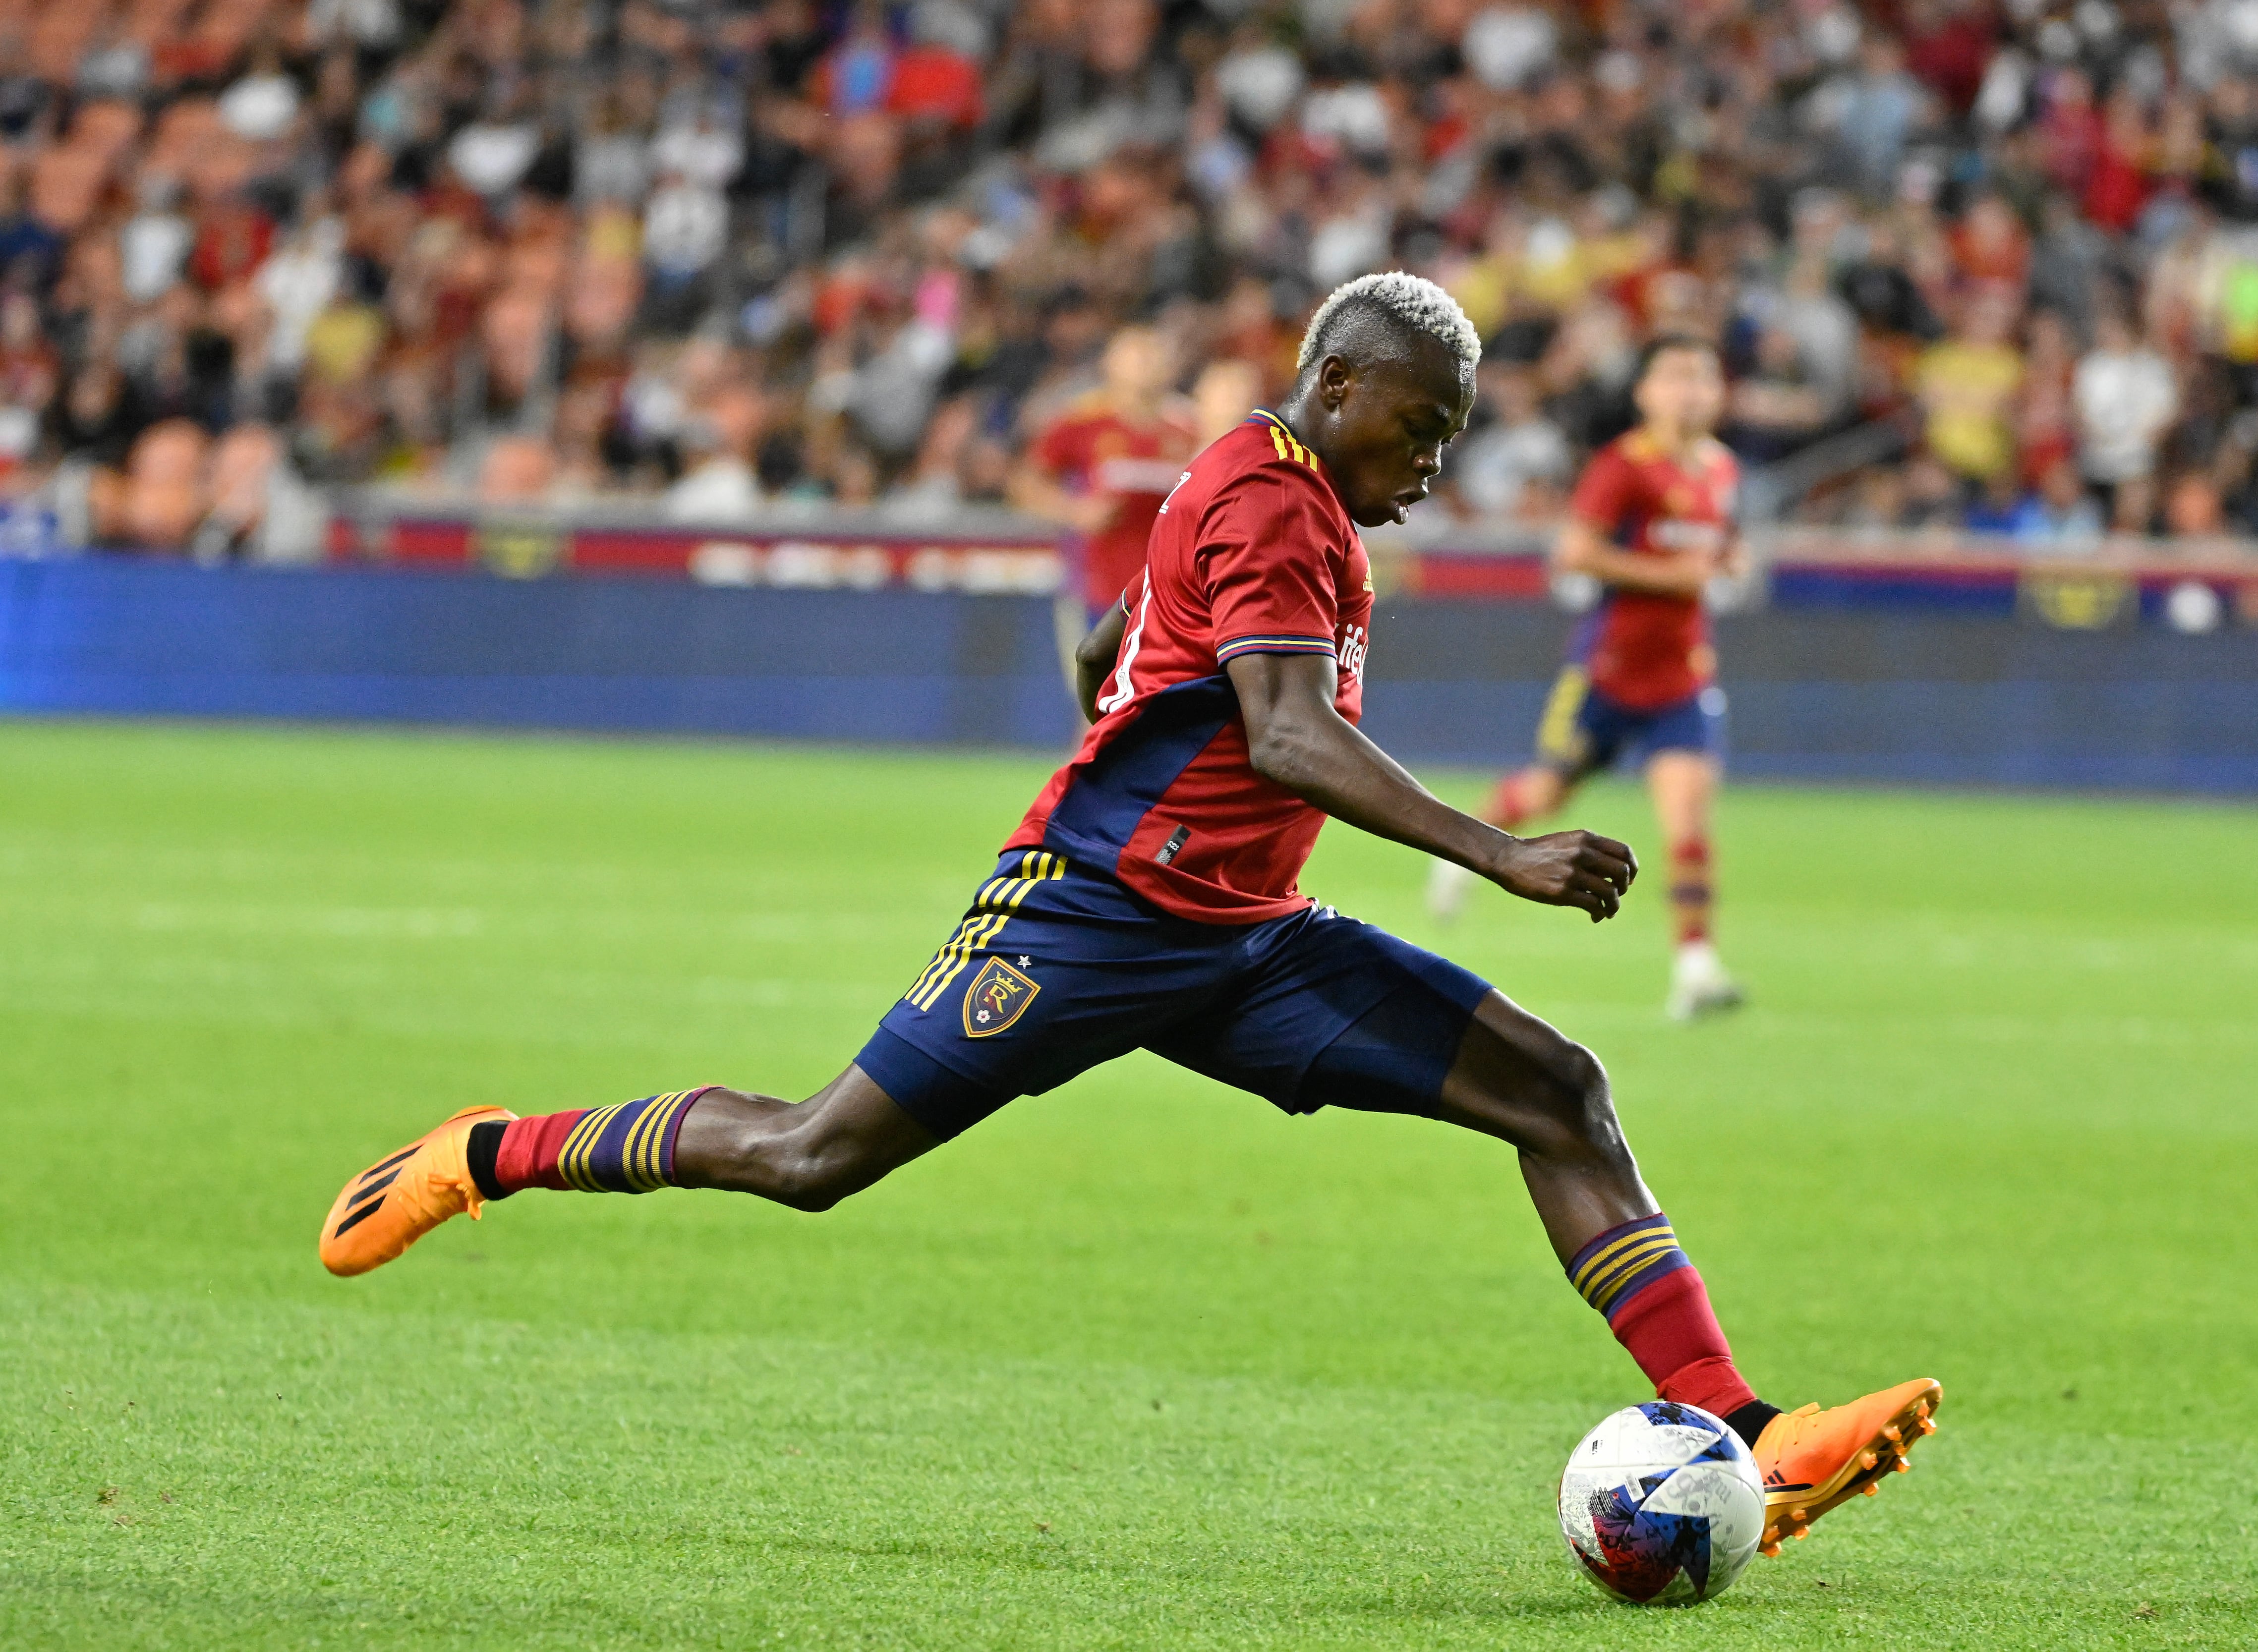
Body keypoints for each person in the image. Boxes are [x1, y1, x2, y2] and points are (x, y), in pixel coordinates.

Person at [318, 275, 1937, 1561]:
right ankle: (488, 1151)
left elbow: (1128, 631)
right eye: (1426, 432)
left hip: (1239, 936)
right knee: (811, 1157)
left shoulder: (1260, 479)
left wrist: (1124, 669)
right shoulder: (1276, 503)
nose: (1437, 469)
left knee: (1558, 1090)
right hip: (1087, 920)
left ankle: (1749, 1430)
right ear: (1343, 391)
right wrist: (1493, 849)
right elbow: (1287, 732)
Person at [1429, 335, 1750, 1024]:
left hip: (1682, 678)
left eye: (1702, 377)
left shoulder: (1723, 471)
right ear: (1646, 393)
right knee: (1544, 792)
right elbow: (1576, 553)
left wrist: (1729, 566)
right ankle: (1461, 852)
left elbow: (1719, 552)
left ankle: (1695, 967)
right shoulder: (1623, 467)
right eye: (1675, 377)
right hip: (1607, 671)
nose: (1690, 391)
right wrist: (1674, 576)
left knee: (1688, 822)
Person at [1009, 322, 1197, 684]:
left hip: (1172, 593)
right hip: (1097, 587)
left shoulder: (1189, 428)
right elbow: (1024, 481)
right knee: (1099, 701)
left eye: (1152, 353)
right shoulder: (1082, 422)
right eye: (1134, 353)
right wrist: (1074, 511)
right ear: (1110, 364)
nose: (1145, 362)